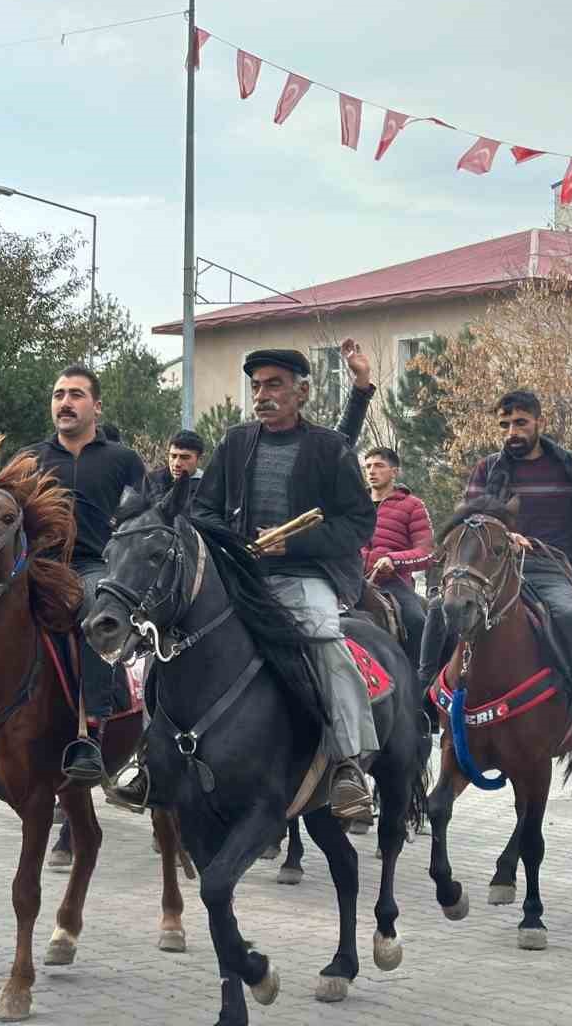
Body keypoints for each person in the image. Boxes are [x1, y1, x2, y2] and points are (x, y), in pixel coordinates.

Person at [132, 348, 378, 819]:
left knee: (326, 645)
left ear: (301, 392)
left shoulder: (329, 448)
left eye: (274, 385)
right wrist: (234, 541)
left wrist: (293, 546)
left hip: (305, 575)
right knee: (167, 643)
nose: (262, 395)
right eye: (257, 386)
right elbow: (204, 510)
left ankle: (347, 765)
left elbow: (358, 523)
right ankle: (151, 759)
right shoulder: (236, 442)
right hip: (238, 574)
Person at [0, 367, 146, 780]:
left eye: (76, 394)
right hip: (35, 567)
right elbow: (1, 512)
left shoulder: (123, 461)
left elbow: (142, 520)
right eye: (59, 394)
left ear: (96, 406)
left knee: (98, 616)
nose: (65, 402)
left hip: (93, 568)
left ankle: (91, 733)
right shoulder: (31, 458)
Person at [446, 390, 572, 747]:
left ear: (540, 423)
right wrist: (504, 535)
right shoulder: (487, 468)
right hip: (494, 569)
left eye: (520, 423)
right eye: (505, 425)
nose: (512, 431)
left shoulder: (568, 465)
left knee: (569, 614)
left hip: (551, 568)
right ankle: (426, 699)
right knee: (441, 610)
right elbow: (470, 517)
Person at [360, 446, 432, 649]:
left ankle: (420, 677)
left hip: (393, 584)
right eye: (368, 467)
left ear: (394, 472)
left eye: (379, 466)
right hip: (349, 581)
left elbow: (427, 554)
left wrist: (394, 559)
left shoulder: (413, 505)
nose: (372, 471)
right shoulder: (354, 504)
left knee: (417, 622)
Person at [143, 429, 207, 510]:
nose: (177, 464)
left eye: (185, 457)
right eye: (173, 456)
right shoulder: (152, 480)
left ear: (200, 459)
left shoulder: (208, 487)